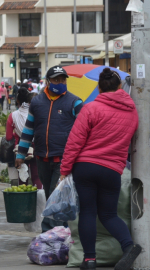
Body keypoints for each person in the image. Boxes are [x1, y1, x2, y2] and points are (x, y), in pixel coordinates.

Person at [60, 68, 140, 270]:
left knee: (88, 212)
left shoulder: (91, 108)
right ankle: (129, 246)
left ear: (99, 87)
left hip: (85, 167)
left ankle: (89, 260)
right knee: (109, 215)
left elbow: (74, 142)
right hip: (112, 169)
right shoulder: (132, 112)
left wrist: (64, 169)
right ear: (120, 86)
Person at [15, 65, 83, 232]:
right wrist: (21, 154)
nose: (60, 82)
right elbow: (29, 130)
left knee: (55, 197)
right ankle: (61, 233)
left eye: (62, 79)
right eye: (56, 80)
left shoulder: (75, 102)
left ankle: (51, 234)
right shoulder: (37, 102)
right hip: (41, 158)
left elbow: (84, 130)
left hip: (63, 159)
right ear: (48, 81)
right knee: (49, 196)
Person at [6, 89, 42, 188]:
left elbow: (8, 137)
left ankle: (23, 199)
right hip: (36, 147)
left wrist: (16, 134)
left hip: (19, 148)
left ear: (18, 101)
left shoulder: (12, 116)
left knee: (22, 176)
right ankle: (39, 199)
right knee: (36, 176)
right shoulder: (37, 114)